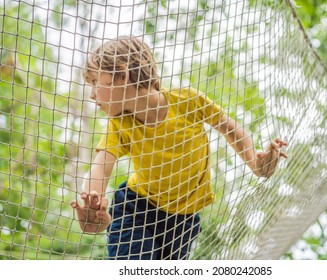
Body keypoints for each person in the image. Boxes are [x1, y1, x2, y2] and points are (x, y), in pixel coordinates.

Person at [70, 35, 288, 260]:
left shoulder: (188, 101)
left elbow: (230, 129)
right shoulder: (120, 124)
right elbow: (102, 166)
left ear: (123, 75)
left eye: (96, 82)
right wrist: (92, 200)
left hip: (184, 221)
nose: (92, 94)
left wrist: (256, 163)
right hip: (136, 210)